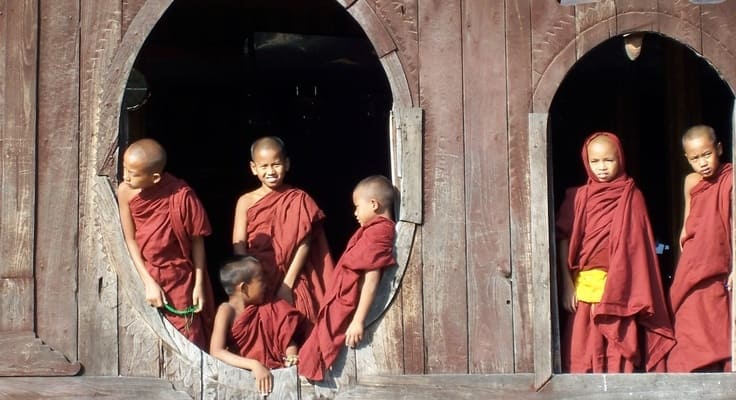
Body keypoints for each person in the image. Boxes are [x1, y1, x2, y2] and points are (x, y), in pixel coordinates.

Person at [555, 132, 675, 373]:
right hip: (586, 286)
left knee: (619, 348)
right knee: (583, 349)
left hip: (622, 288)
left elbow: (640, 249)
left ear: (620, 159)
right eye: (595, 162)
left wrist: (627, 282)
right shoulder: (577, 197)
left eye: (608, 160)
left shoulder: (632, 196)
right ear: (586, 162)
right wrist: (567, 284)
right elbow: (563, 239)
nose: (602, 168)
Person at [118, 138, 215, 349]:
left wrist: (198, 285)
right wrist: (147, 282)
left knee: (188, 340)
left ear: (154, 178)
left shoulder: (181, 195)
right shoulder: (125, 191)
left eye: (133, 173)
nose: (125, 176)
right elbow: (130, 239)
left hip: (180, 278)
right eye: (125, 169)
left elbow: (197, 240)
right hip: (145, 272)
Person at [298, 175, 396, 381]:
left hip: (347, 303)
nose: (355, 212)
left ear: (374, 204)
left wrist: (358, 321)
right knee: (313, 348)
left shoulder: (380, 232)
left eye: (357, 206)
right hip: (341, 298)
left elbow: (371, 280)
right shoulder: (372, 231)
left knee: (319, 350)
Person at [232, 136, 334, 325]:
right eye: (264, 166)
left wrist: (287, 284)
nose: (271, 171)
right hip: (257, 280)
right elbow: (239, 246)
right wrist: (248, 280)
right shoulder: (245, 201)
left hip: (293, 279)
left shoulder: (299, 199)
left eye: (276, 164)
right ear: (254, 168)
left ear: (286, 164)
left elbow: (304, 243)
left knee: (298, 327)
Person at [667, 125, 733, 372]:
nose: (702, 163)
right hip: (693, 268)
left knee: (718, 326)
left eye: (707, 154)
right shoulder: (691, 181)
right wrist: (685, 264)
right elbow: (686, 228)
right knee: (689, 325)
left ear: (719, 148)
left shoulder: (731, 179)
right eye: (695, 158)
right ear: (687, 158)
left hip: (718, 268)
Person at [210, 255, 302, 396]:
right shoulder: (226, 310)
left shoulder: (268, 307)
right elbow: (216, 351)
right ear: (244, 288)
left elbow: (286, 338)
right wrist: (254, 365)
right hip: (243, 380)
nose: (266, 284)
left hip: (278, 379)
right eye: (261, 280)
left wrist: (292, 357)